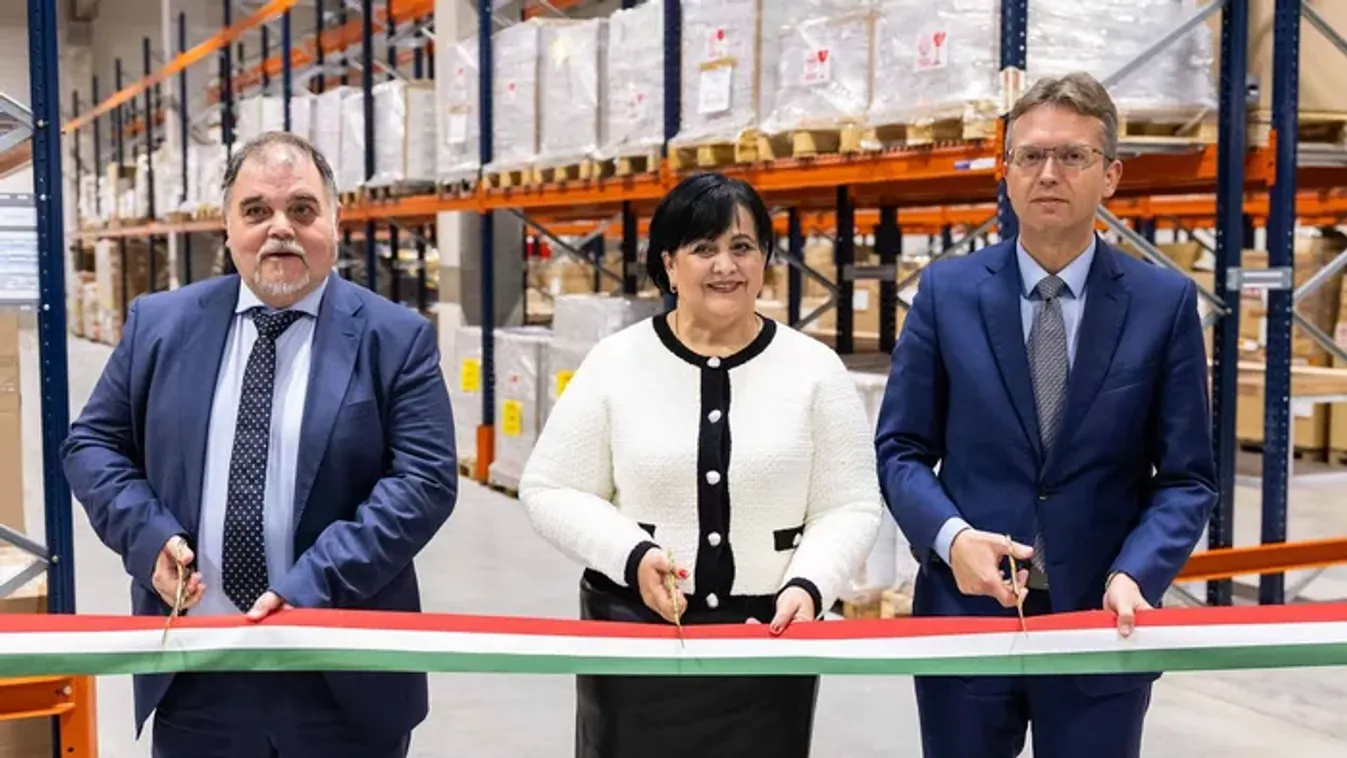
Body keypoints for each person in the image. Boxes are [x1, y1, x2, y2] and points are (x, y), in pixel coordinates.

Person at [61, 131, 458, 758]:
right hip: (198, 670)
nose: (280, 228)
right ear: (227, 228)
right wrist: (149, 538)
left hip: (341, 670)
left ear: (334, 221)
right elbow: (92, 445)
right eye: (256, 211)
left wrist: (315, 583)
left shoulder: (395, 338)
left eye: (301, 209)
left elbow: (424, 482)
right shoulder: (160, 325)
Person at [874, 71, 1217, 758]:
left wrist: (1136, 573)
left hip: (1101, 623)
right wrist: (951, 540)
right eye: (1030, 155)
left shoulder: (1163, 304)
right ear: (1005, 173)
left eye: (1072, 156)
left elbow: (1187, 478)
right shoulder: (945, 293)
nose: (1048, 173)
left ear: (1110, 174)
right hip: (966, 622)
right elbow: (900, 449)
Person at [517, 171, 883, 758]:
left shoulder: (815, 370)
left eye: (742, 247)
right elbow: (549, 488)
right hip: (637, 644)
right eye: (704, 248)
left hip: (766, 645)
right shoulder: (616, 362)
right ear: (668, 263)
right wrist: (633, 555)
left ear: (765, 260)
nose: (725, 266)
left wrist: (810, 585)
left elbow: (850, 504)